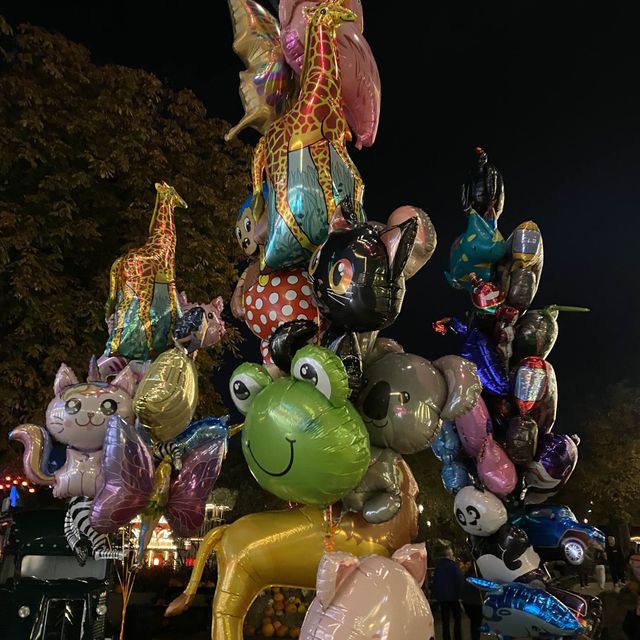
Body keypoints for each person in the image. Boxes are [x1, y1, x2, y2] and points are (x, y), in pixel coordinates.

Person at [432, 548, 463, 640]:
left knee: (445, 620)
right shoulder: (453, 566)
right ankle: (457, 637)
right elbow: (460, 580)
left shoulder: (439, 567)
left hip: (442, 598)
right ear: (449, 555)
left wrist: (437, 595)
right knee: (457, 617)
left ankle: (446, 637)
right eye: (452, 554)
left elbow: (435, 582)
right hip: (453, 597)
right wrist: (460, 594)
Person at [460, 561, 483, 640]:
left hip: (467, 603)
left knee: (474, 622)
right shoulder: (479, 577)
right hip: (477, 603)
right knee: (476, 623)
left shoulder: (466, 576)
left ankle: (475, 637)